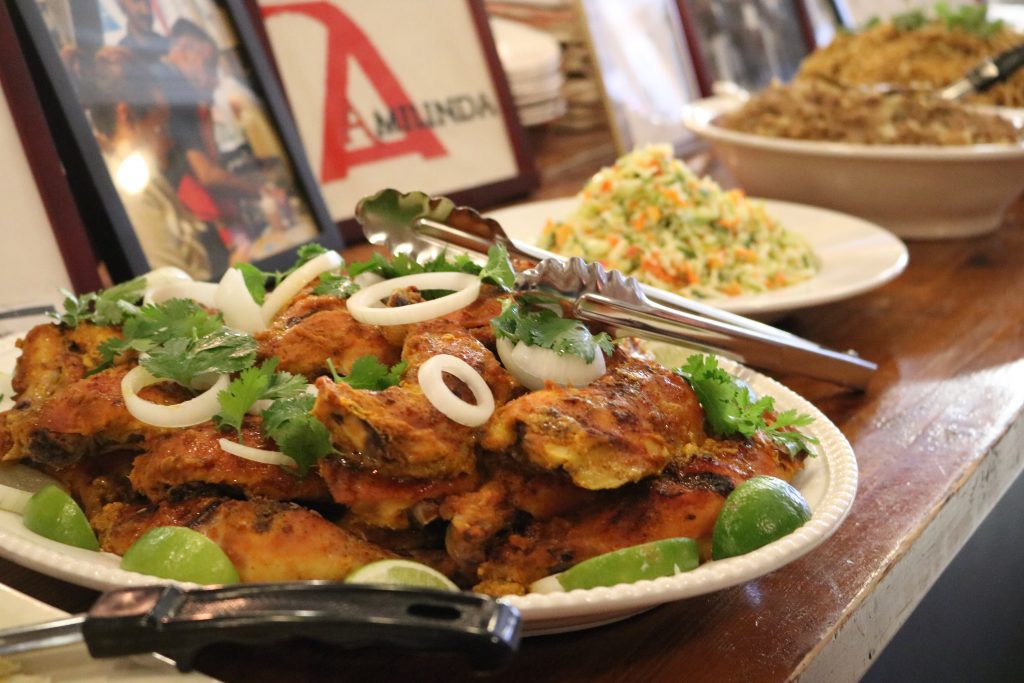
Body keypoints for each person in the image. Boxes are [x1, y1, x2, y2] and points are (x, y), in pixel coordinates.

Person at [89, 50, 228, 280]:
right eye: (159, 127)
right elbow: (172, 291)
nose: (169, 140)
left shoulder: (140, 175)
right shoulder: (128, 190)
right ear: (126, 116)